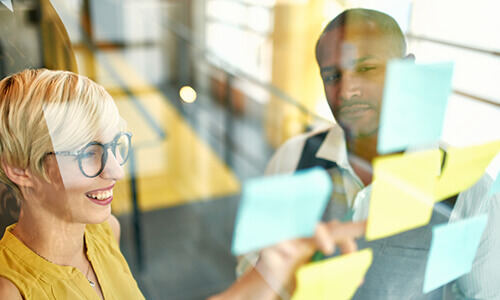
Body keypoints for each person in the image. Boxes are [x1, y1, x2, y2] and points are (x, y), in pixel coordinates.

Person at [0, 68, 366, 299]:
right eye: (88, 153)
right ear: (20, 170)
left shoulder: (101, 232)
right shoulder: (10, 290)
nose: (116, 172)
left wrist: (273, 267)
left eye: (115, 147)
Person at [238, 8, 500, 299]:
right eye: (333, 75)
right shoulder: (292, 158)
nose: (347, 91)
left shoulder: (470, 195)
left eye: (366, 69)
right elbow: (251, 271)